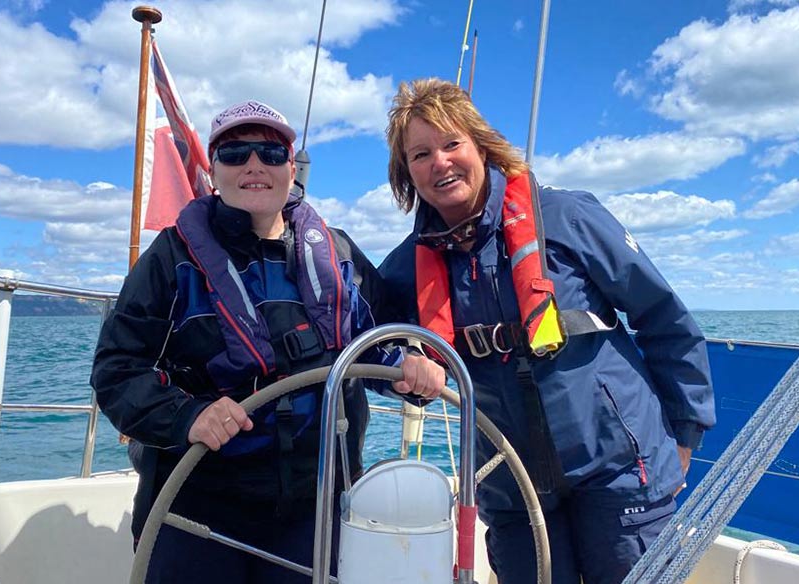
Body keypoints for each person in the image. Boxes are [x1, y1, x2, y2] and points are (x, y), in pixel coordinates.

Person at [91, 99, 445, 583]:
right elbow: (117, 371)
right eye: (235, 154)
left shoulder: (339, 255)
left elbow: (378, 341)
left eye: (270, 153)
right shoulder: (170, 260)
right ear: (212, 169)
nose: (254, 165)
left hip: (314, 504)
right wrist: (188, 415)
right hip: (197, 503)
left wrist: (410, 363)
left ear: (290, 167)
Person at [378, 78, 716, 584]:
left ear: (480, 146)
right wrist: (407, 370)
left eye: (452, 144)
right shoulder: (407, 267)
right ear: (407, 173)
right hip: (512, 490)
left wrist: (684, 434)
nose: (440, 162)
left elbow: (663, 318)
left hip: (621, 475)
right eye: (421, 154)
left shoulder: (568, 217)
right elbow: (373, 342)